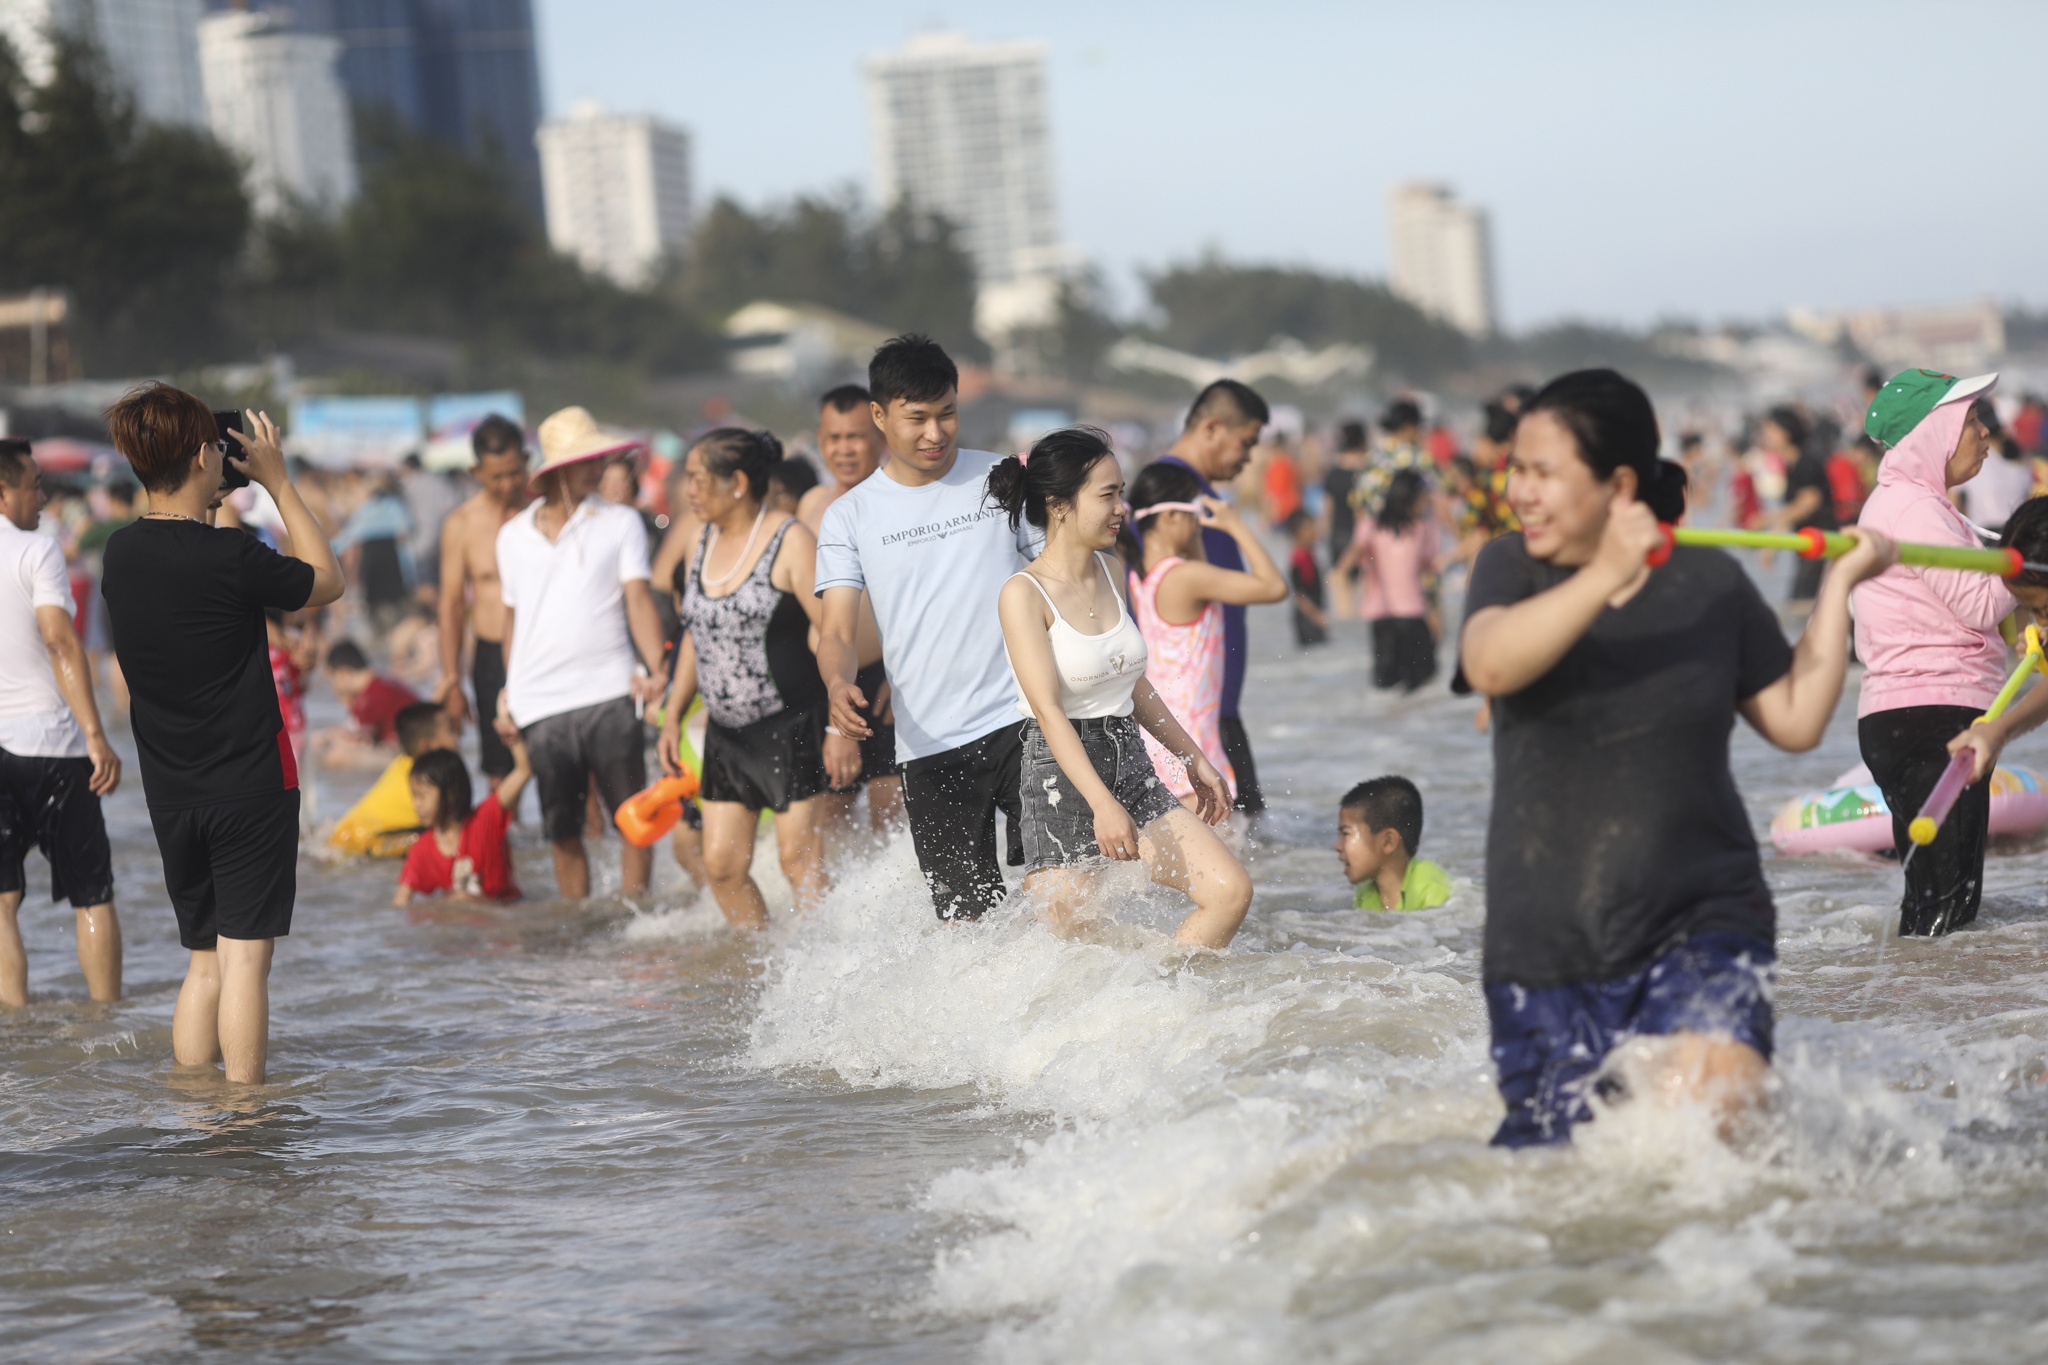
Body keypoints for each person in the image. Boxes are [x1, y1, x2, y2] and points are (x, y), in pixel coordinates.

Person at [1457, 368, 1894, 1147]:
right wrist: (1604, 576)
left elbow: (1794, 719)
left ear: (1617, 482)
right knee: (1572, 1185)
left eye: (1542, 472)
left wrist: (1840, 586)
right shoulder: (1510, 567)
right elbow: (1490, 664)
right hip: (1546, 939)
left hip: (1703, 914)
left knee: (1718, 1111)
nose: (1519, 489)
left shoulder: (1708, 582)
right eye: (1515, 468)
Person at [100, 388, 345, 1084]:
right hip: (250, 784)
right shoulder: (233, 554)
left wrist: (210, 497)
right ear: (207, 454)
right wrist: (278, 481)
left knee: (204, 959)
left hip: (173, 793)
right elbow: (327, 581)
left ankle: (195, 1112)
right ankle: (244, 1118)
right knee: (246, 959)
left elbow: (177, 552)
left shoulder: (119, 555)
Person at [990, 427, 1251, 948]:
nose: (1121, 509)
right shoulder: (1023, 593)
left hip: (1131, 764)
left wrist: (1192, 757)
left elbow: (1133, 686)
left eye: (1121, 493)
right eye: (1107, 495)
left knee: (1230, 891)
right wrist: (1102, 804)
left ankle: (1167, 1004)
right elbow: (1047, 712)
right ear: (1059, 505)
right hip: (1060, 782)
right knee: (1077, 950)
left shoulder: (1113, 569)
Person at [814, 336, 1039, 920]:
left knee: (1066, 895)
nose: (935, 433)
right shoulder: (849, 517)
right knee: (968, 926)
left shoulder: (1005, 478)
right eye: (917, 418)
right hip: (929, 746)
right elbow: (836, 631)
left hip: (1027, 722)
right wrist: (838, 685)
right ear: (880, 416)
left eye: (947, 413)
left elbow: (1057, 578)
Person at [1853, 370, 2020, 938]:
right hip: (1933, 716)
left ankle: (1915, 1012)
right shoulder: (1914, 510)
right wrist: (2032, 568)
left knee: (1929, 906)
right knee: (1950, 912)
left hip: (1906, 714)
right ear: (1934, 434)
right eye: (1971, 421)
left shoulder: (1912, 503)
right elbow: (1979, 602)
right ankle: (1935, 1015)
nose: (1984, 433)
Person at [657, 428, 832, 928]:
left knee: (798, 863)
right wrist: (672, 716)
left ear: (736, 481)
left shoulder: (789, 539)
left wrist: (842, 720)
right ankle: (760, 969)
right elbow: (697, 632)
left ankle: (832, 968)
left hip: (791, 724)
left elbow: (833, 631)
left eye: (695, 478)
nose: (686, 489)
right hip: (726, 736)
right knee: (722, 866)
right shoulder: (698, 538)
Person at [495, 407, 667, 900]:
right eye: (587, 459)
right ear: (557, 470)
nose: (600, 467)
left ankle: (637, 918)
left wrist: (658, 671)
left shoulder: (621, 523)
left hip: (610, 689)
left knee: (634, 817)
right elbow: (513, 620)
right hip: (540, 702)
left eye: (601, 457)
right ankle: (579, 928)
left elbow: (637, 599)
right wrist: (507, 694)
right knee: (563, 829)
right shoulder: (512, 538)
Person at [0, 440, 122, 1007]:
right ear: (4, 492)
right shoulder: (37, 551)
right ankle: (104, 1019)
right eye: (33, 486)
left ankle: (15, 1025)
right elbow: (59, 640)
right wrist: (96, 735)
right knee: (91, 895)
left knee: (1, 899)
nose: (44, 498)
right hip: (51, 742)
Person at [1127, 461, 1289, 808]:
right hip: (1194, 751)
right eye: (1195, 511)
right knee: (1224, 859)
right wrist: (1235, 525)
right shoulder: (1185, 578)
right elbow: (1274, 587)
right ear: (1170, 516)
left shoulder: (1142, 577)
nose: (1200, 522)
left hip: (1161, 743)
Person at [1147, 379, 1271, 813]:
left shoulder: (1195, 496)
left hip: (1211, 709)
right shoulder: (1173, 500)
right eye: (1246, 443)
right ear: (1213, 428)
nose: (1248, 458)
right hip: (1195, 720)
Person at [797, 385, 901, 829]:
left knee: (889, 813)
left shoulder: (897, 504)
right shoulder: (812, 504)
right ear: (820, 439)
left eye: (855, 436)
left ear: (879, 436)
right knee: (830, 818)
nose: (844, 449)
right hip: (821, 676)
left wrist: (904, 675)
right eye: (834, 438)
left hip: (883, 677)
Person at [435, 414, 531, 785]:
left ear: (526, 460)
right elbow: (452, 606)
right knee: (500, 772)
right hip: (492, 655)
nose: (508, 484)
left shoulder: (543, 514)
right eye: (497, 477)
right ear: (476, 472)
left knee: (572, 769)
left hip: (543, 648)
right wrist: (451, 680)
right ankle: (509, 841)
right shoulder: (462, 524)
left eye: (514, 472)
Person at [1337, 468, 1442, 692]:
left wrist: (1340, 576)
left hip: (1384, 618)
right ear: (1409, 498)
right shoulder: (1422, 529)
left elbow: (1355, 553)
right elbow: (1429, 573)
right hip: (1409, 616)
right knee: (1421, 684)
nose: (1426, 504)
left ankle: (1389, 727)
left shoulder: (1372, 526)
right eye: (1424, 498)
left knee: (1387, 685)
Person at [394, 741, 531, 905]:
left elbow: (523, 771)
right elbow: (400, 904)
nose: (416, 804)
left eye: (422, 796)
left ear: (452, 793)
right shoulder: (421, 850)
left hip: (510, 909)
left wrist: (513, 738)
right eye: (414, 796)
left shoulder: (485, 819)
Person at [329, 701, 464, 858]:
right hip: (363, 843)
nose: (458, 738)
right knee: (436, 837)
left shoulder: (404, 760)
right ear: (427, 746)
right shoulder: (428, 779)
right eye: (451, 731)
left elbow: (419, 725)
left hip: (343, 835)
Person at [1762, 406, 1837, 613]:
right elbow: (1793, 510)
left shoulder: (1806, 461)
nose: (1764, 435)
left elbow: (1809, 502)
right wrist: (1772, 545)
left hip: (1823, 543)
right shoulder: (1792, 464)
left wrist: (1766, 519)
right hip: (1808, 546)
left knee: (1802, 607)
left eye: (1769, 429)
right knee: (1798, 604)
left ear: (1786, 433)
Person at [1335, 776, 1450, 912]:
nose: (1337, 846)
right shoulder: (1365, 894)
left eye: (1346, 834)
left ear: (1388, 842)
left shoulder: (1434, 892)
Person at [316, 640, 420, 767]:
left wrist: (326, 738)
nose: (333, 688)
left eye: (332, 679)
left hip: (404, 752)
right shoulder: (380, 682)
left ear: (343, 673)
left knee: (337, 756)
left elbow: (357, 737)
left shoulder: (368, 698)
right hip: (407, 744)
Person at [1958, 400, 2032, 533]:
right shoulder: (2019, 456)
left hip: (1986, 536)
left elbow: (1954, 503)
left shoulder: (1973, 456)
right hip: (2017, 533)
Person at [1284, 510, 1328, 647]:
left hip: (1314, 614)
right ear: (1298, 533)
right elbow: (1299, 594)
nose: (1314, 532)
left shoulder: (1309, 553)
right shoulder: (1298, 558)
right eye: (1309, 528)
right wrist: (1316, 615)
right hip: (1307, 618)